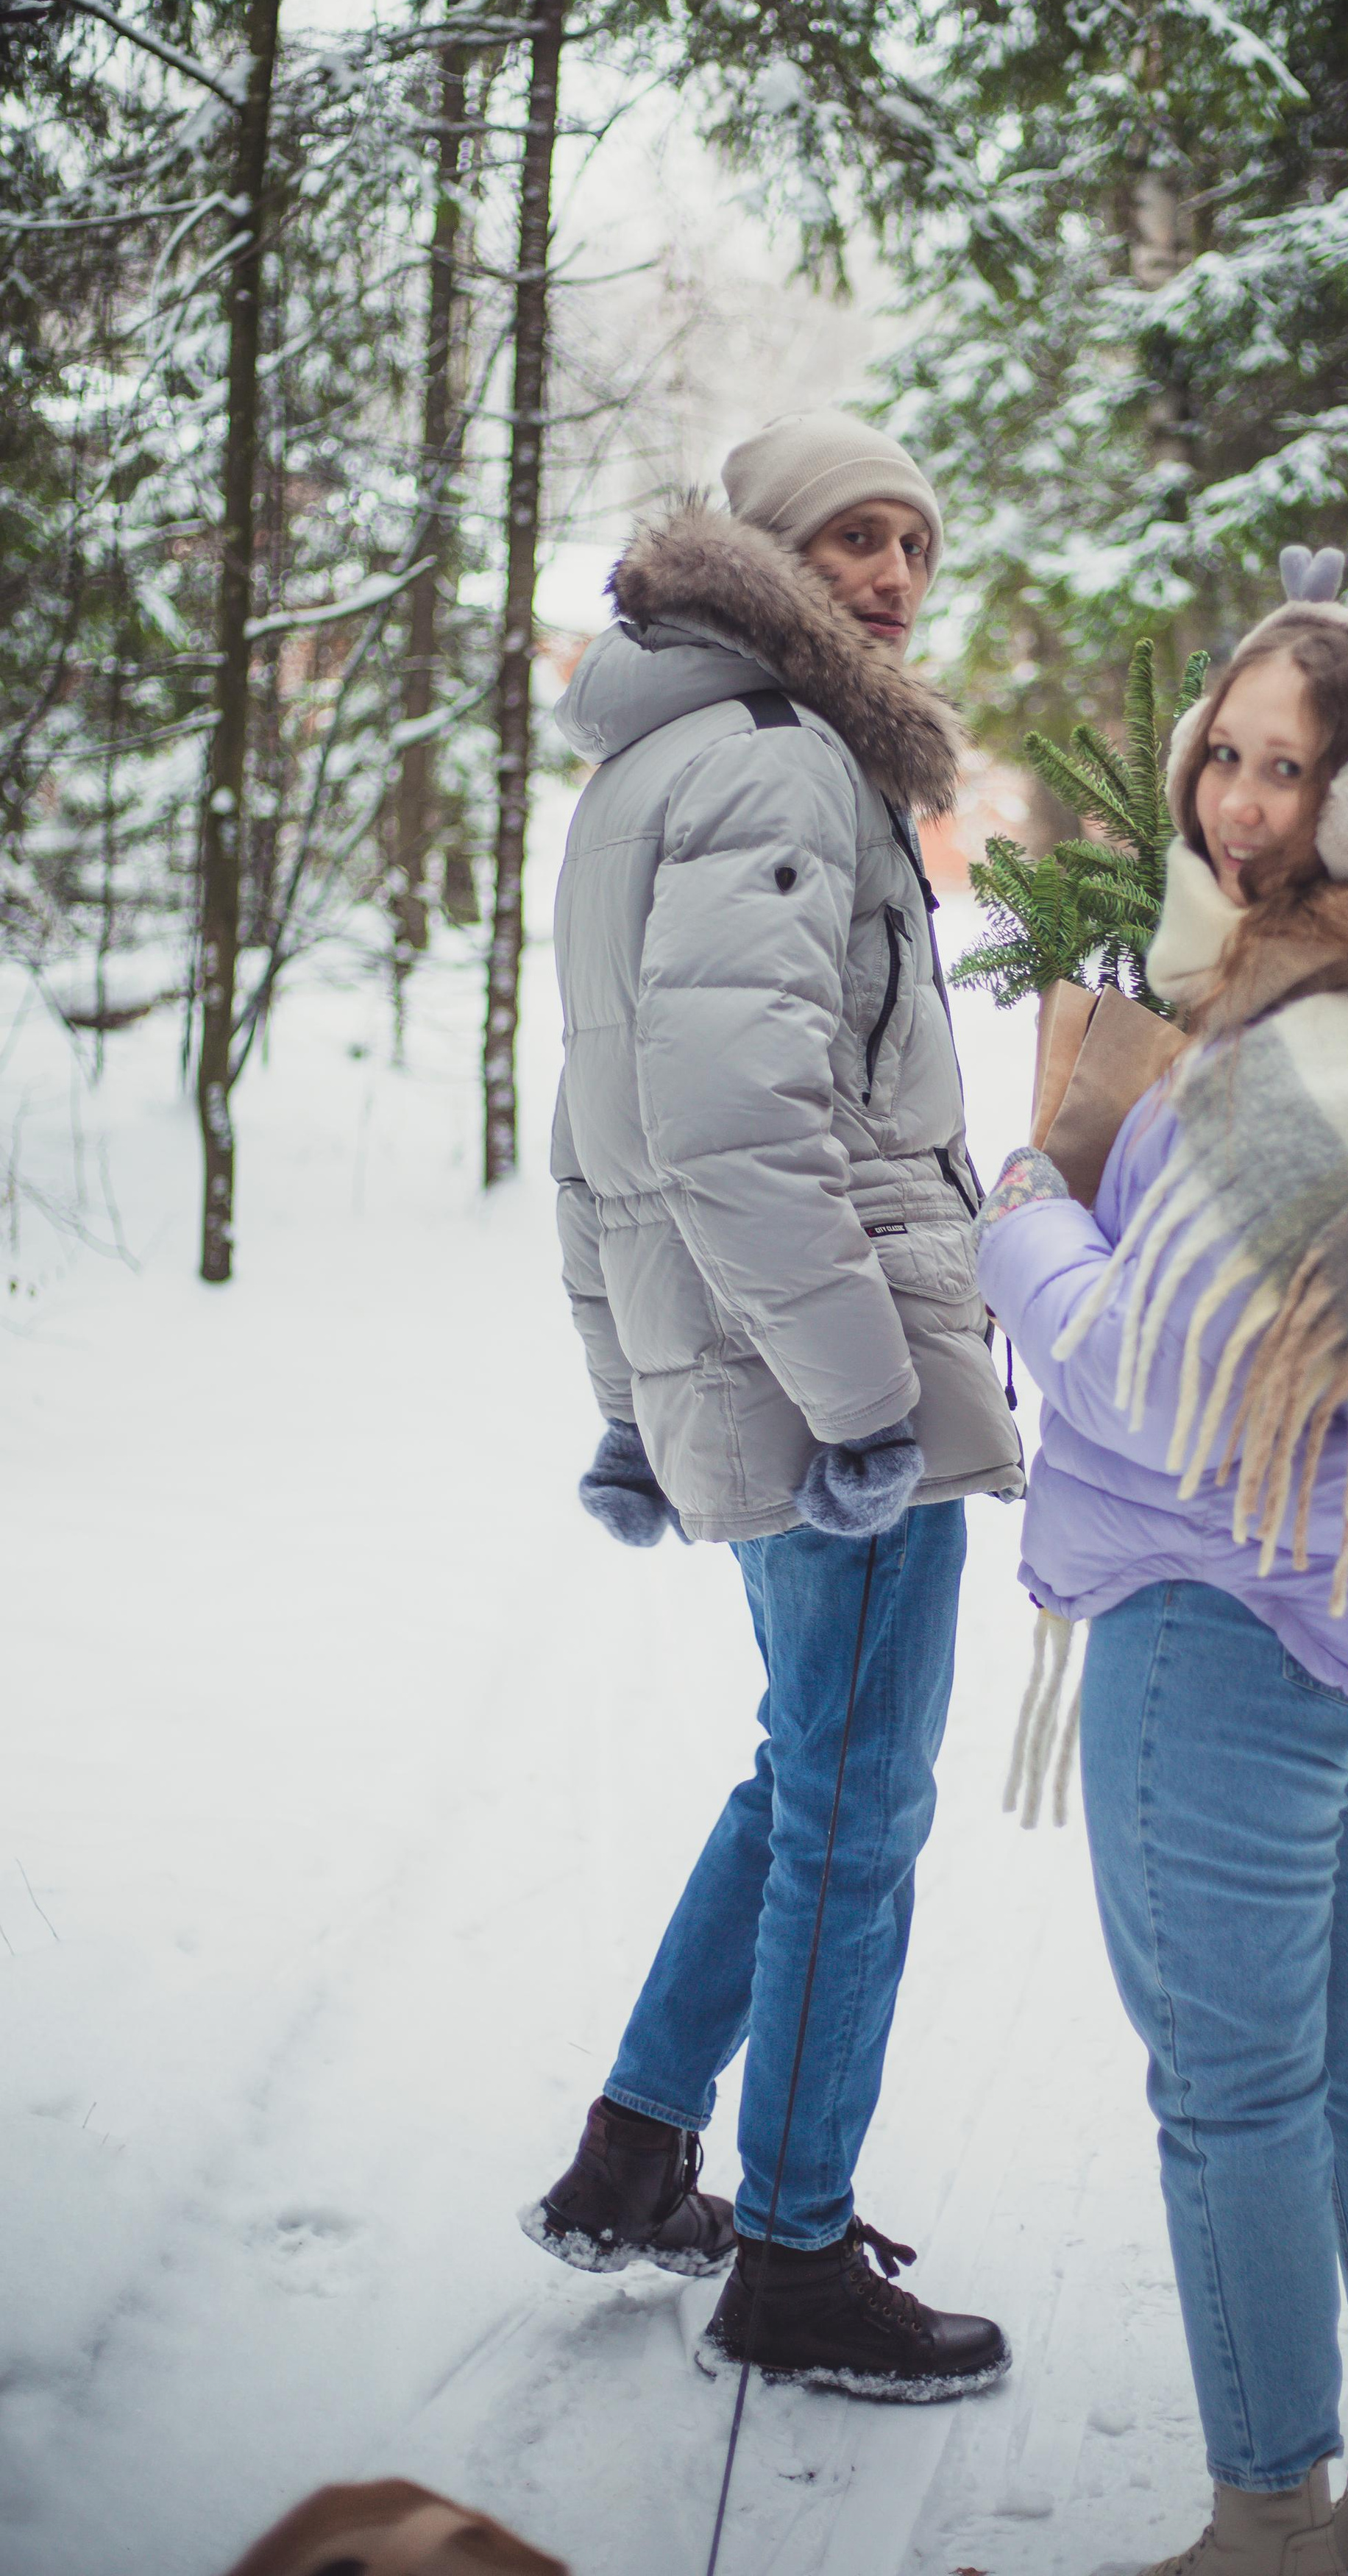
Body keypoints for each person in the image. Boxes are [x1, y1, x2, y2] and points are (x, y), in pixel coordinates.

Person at [975, 548, 1348, 2575]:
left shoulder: (1316, 1053)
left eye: (1290, 769)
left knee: (1235, 2096)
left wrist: (1028, 1218)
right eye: (1219, 758)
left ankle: (1266, 2530)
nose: (1237, 806)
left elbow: (1160, 1370)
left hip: (1222, 1638)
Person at [527, 411, 1023, 2404]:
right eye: (853, 538)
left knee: (804, 1768)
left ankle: (637, 2155)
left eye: (916, 538)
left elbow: (598, 1131)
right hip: (832, 1374)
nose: (893, 573)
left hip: (742, 1355)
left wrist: (631, 1392)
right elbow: (730, 1132)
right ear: (767, 557)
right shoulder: (778, 771)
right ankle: (798, 2259)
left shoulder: (672, 757)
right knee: (855, 1813)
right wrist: (863, 1400)